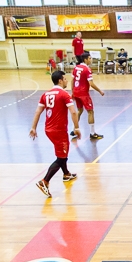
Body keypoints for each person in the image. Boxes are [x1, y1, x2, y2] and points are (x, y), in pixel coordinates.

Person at [29, 70, 81, 198]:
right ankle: (44, 181)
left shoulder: (45, 94)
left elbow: (38, 111)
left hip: (48, 129)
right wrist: (76, 127)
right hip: (59, 131)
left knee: (62, 153)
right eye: (65, 79)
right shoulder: (64, 94)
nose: (67, 81)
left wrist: (33, 127)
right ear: (60, 80)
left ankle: (66, 174)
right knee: (61, 157)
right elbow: (73, 112)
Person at [71, 53, 105, 140]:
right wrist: (100, 91)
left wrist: (72, 91)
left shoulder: (76, 68)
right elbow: (91, 84)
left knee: (80, 110)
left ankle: (74, 130)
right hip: (83, 93)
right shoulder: (87, 69)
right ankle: (92, 133)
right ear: (85, 59)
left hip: (76, 92)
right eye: (90, 58)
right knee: (90, 112)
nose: (91, 60)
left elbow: (72, 80)